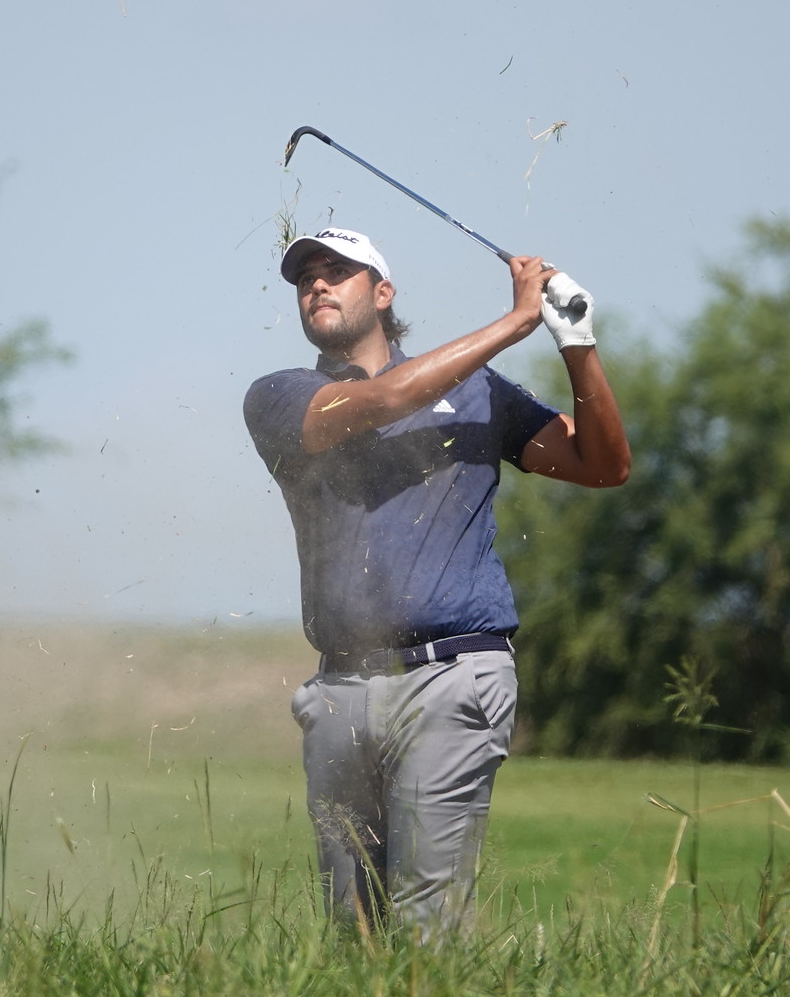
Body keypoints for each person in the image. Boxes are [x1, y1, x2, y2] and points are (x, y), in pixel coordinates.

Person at [242, 226, 629, 938]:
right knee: (353, 929)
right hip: (340, 690)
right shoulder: (279, 396)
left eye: (338, 271)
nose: (317, 285)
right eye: (306, 278)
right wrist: (516, 321)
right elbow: (384, 403)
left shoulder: (479, 391)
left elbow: (602, 465)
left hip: (452, 675)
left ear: (383, 294)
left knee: (427, 926)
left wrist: (575, 344)